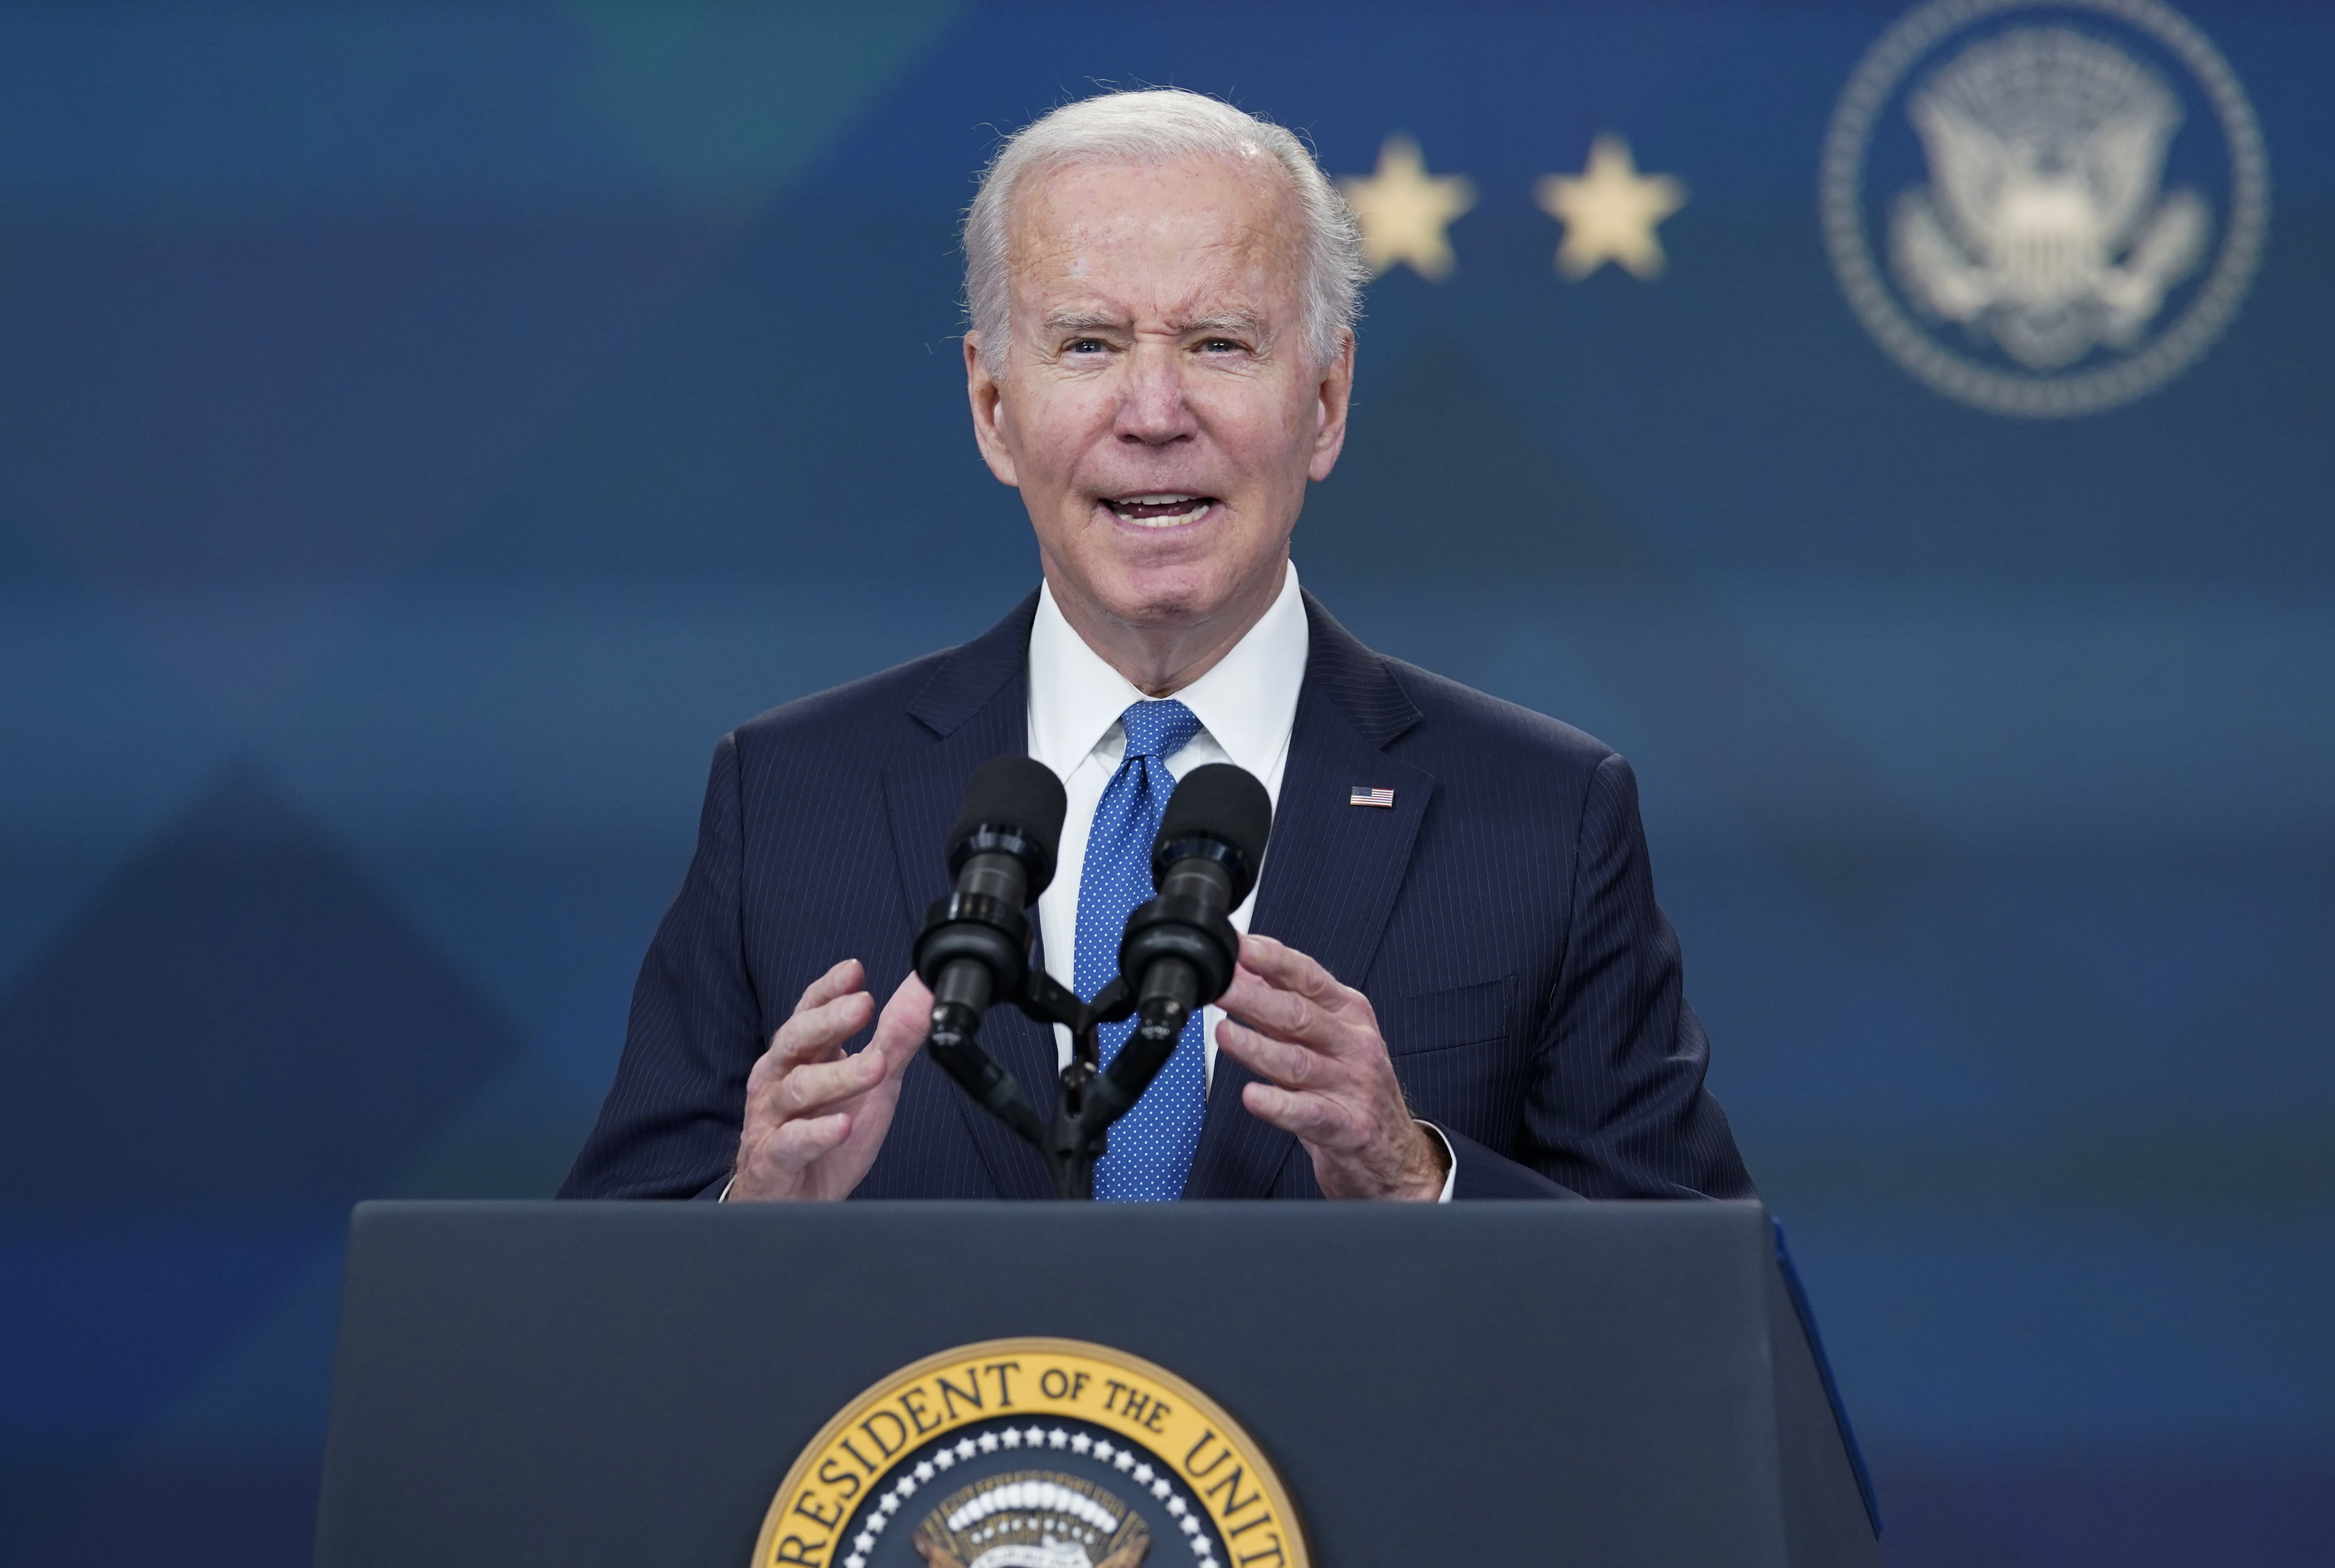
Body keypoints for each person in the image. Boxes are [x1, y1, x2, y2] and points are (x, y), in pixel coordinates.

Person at [559, 89, 1751, 1205]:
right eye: (1087, 345)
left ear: (1326, 402)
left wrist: (1413, 1174)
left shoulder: (1543, 815)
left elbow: (1698, 1320)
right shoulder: (791, 798)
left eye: (1219, 344)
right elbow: (587, 1325)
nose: (1154, 413)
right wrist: (747, 1214)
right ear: (993, 409)